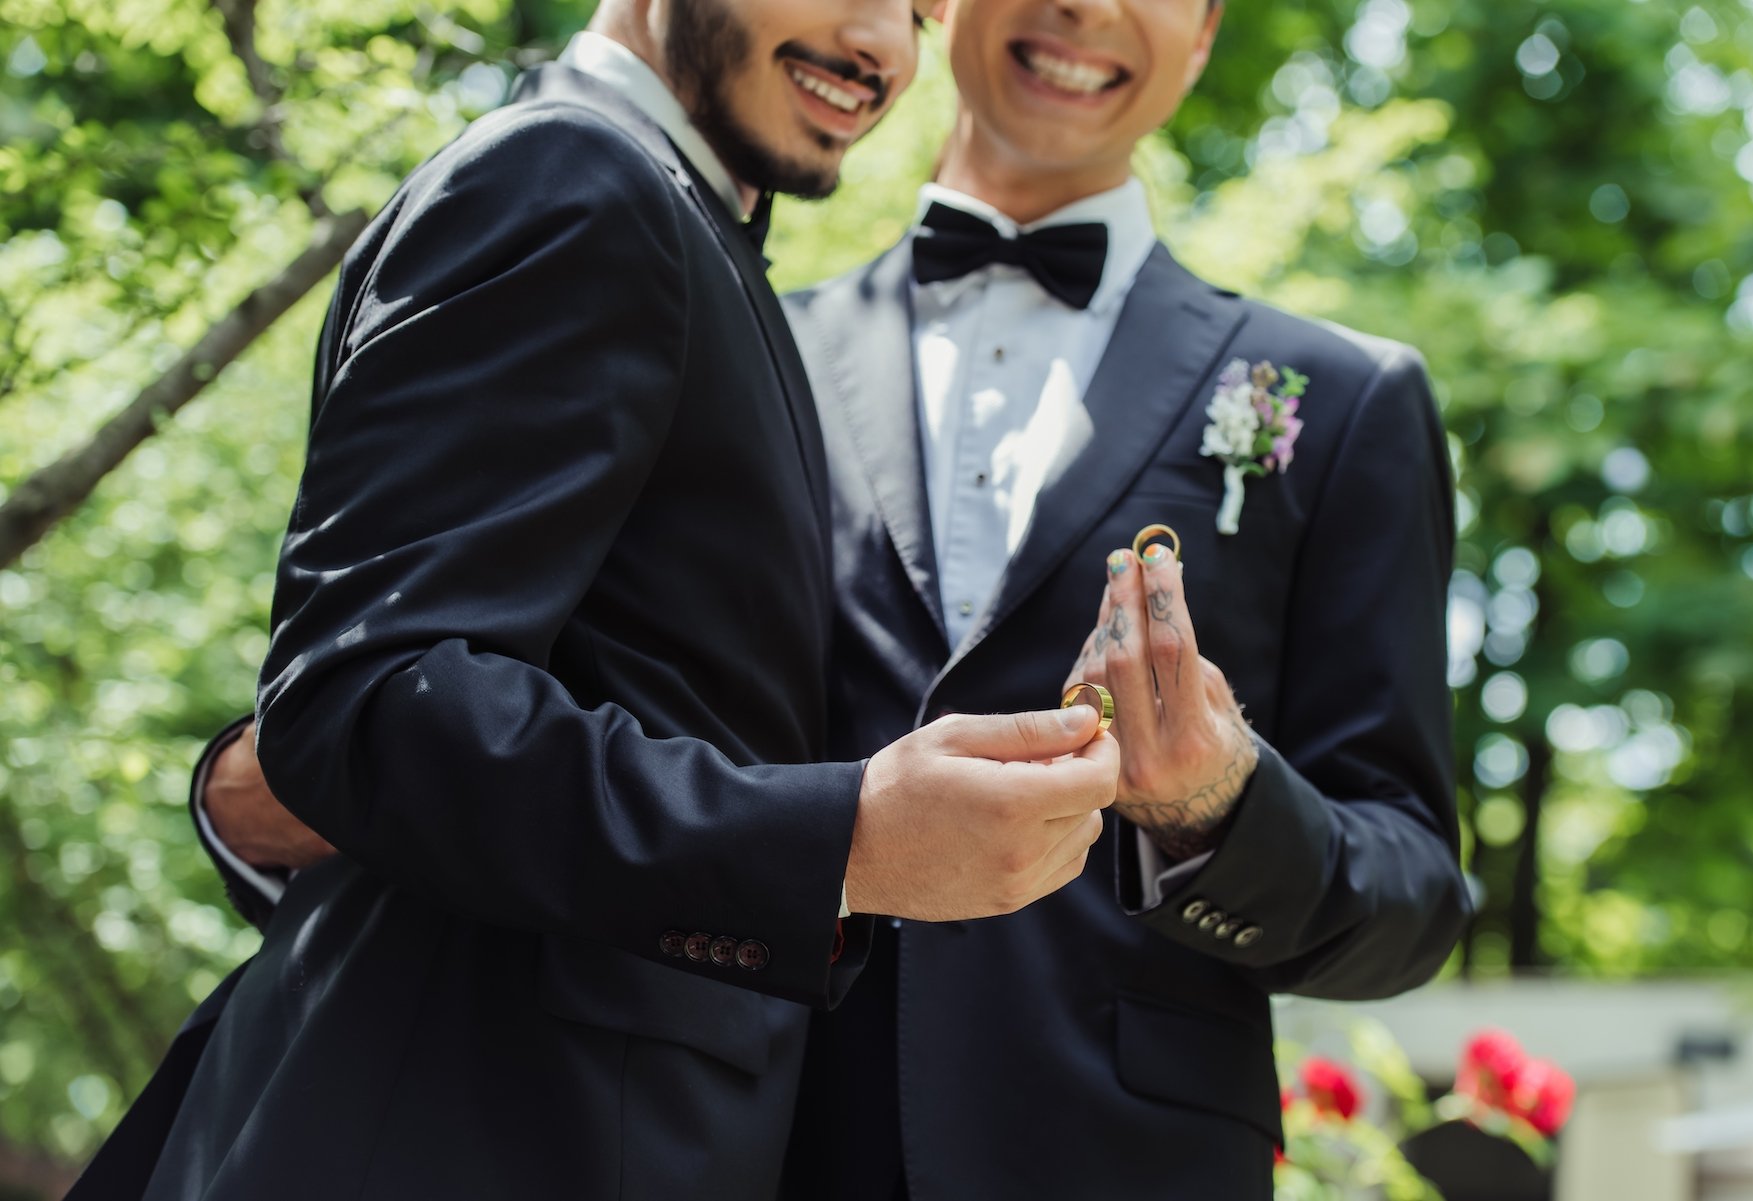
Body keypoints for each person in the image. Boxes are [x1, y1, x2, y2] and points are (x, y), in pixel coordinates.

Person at [67, 2, 1122, 1198]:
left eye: (921, 9)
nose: (883, 45)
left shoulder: (689, 227)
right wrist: (846, 843)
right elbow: (366, 697)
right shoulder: (567, 175)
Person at [776, 0, 1472, 1195]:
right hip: (773, 1136)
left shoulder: (1349, 402)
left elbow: (1414, 894)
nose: (1083, 9)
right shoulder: (753, 351)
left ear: (1203, 32)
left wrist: (1222, 809)